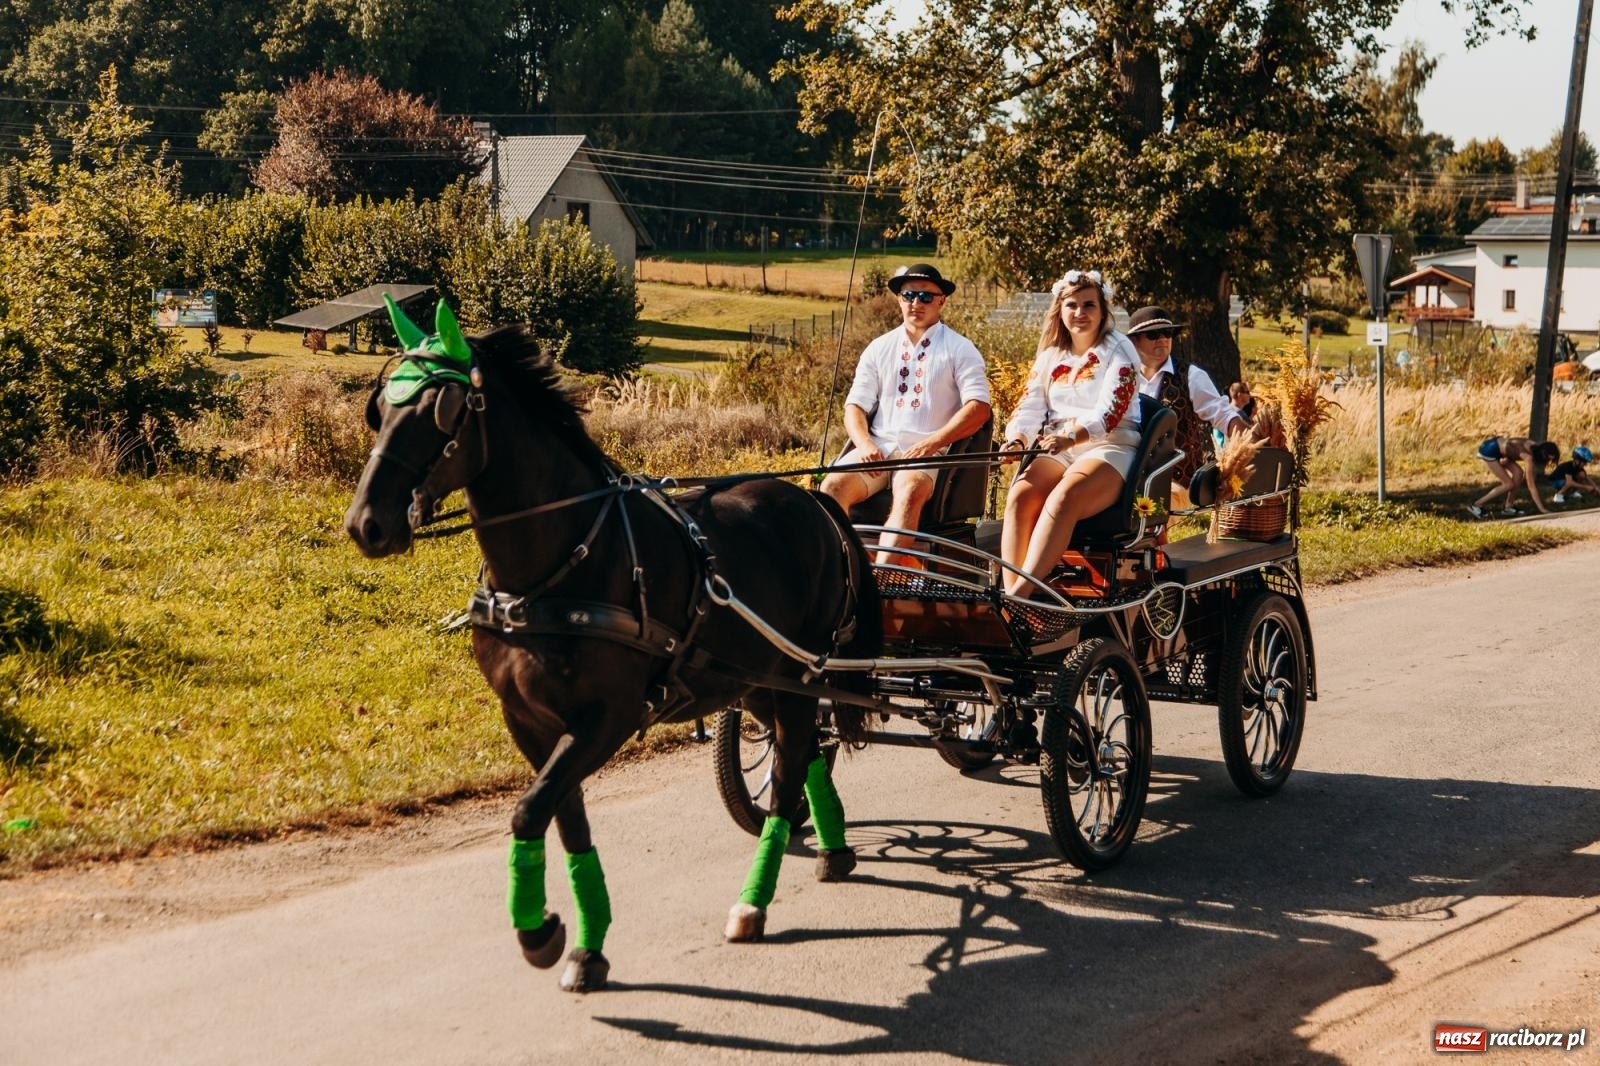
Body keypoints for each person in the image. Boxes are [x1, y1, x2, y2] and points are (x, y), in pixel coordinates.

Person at [820, 263, 992, 565]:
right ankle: (844, 573)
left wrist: (932, 443)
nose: (916, 303)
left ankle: (885, 580)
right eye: (909, 295)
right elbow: (854, 407)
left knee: (910, 489)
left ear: (942, 300)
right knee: (831, 486)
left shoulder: (960, 349)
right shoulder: (878, 347)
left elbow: (978, 409)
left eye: (926, 296)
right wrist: (864, 444)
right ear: (899, 299)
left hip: (927, 453)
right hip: (878, 450)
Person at [998, 269, 1140, 597]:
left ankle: (1018, 597)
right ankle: (1013, 595)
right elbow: (1030, 405)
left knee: (1064, 497)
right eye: (1072, 305)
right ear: (1059, 311)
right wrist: (1018, 439)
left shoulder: (1120, 350)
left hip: (1110, 445)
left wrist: (1073, 436)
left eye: (1089, 305)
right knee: (1020, 494)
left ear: (1103, 310)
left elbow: (1112, 409)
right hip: (1059, 447)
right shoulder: (1050, 356)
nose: (1080, 313)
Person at [1125, 306, 1247, 500]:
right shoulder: (1123, 378)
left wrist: (1252, 445)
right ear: (1133, 342)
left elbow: (1224, 414)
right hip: (1128, 477)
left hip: (1178, 488)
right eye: (1153, 334)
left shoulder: (1191, 376)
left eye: (1167, 332)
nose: (1163, 339)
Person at [1467, 436, 1560, 518]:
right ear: (1543, 453)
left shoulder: (1534, 445)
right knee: (1508, 484)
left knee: (1518, 473)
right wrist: (1542, 509)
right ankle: (1476, 505)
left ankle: (1508, 507)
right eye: (1547, 459)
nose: (1547, 462)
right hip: (1489, 450)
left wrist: (1506, 456)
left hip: (1499, 447)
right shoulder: (1528, 457)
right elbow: (1531, 486)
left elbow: (1512, 446)